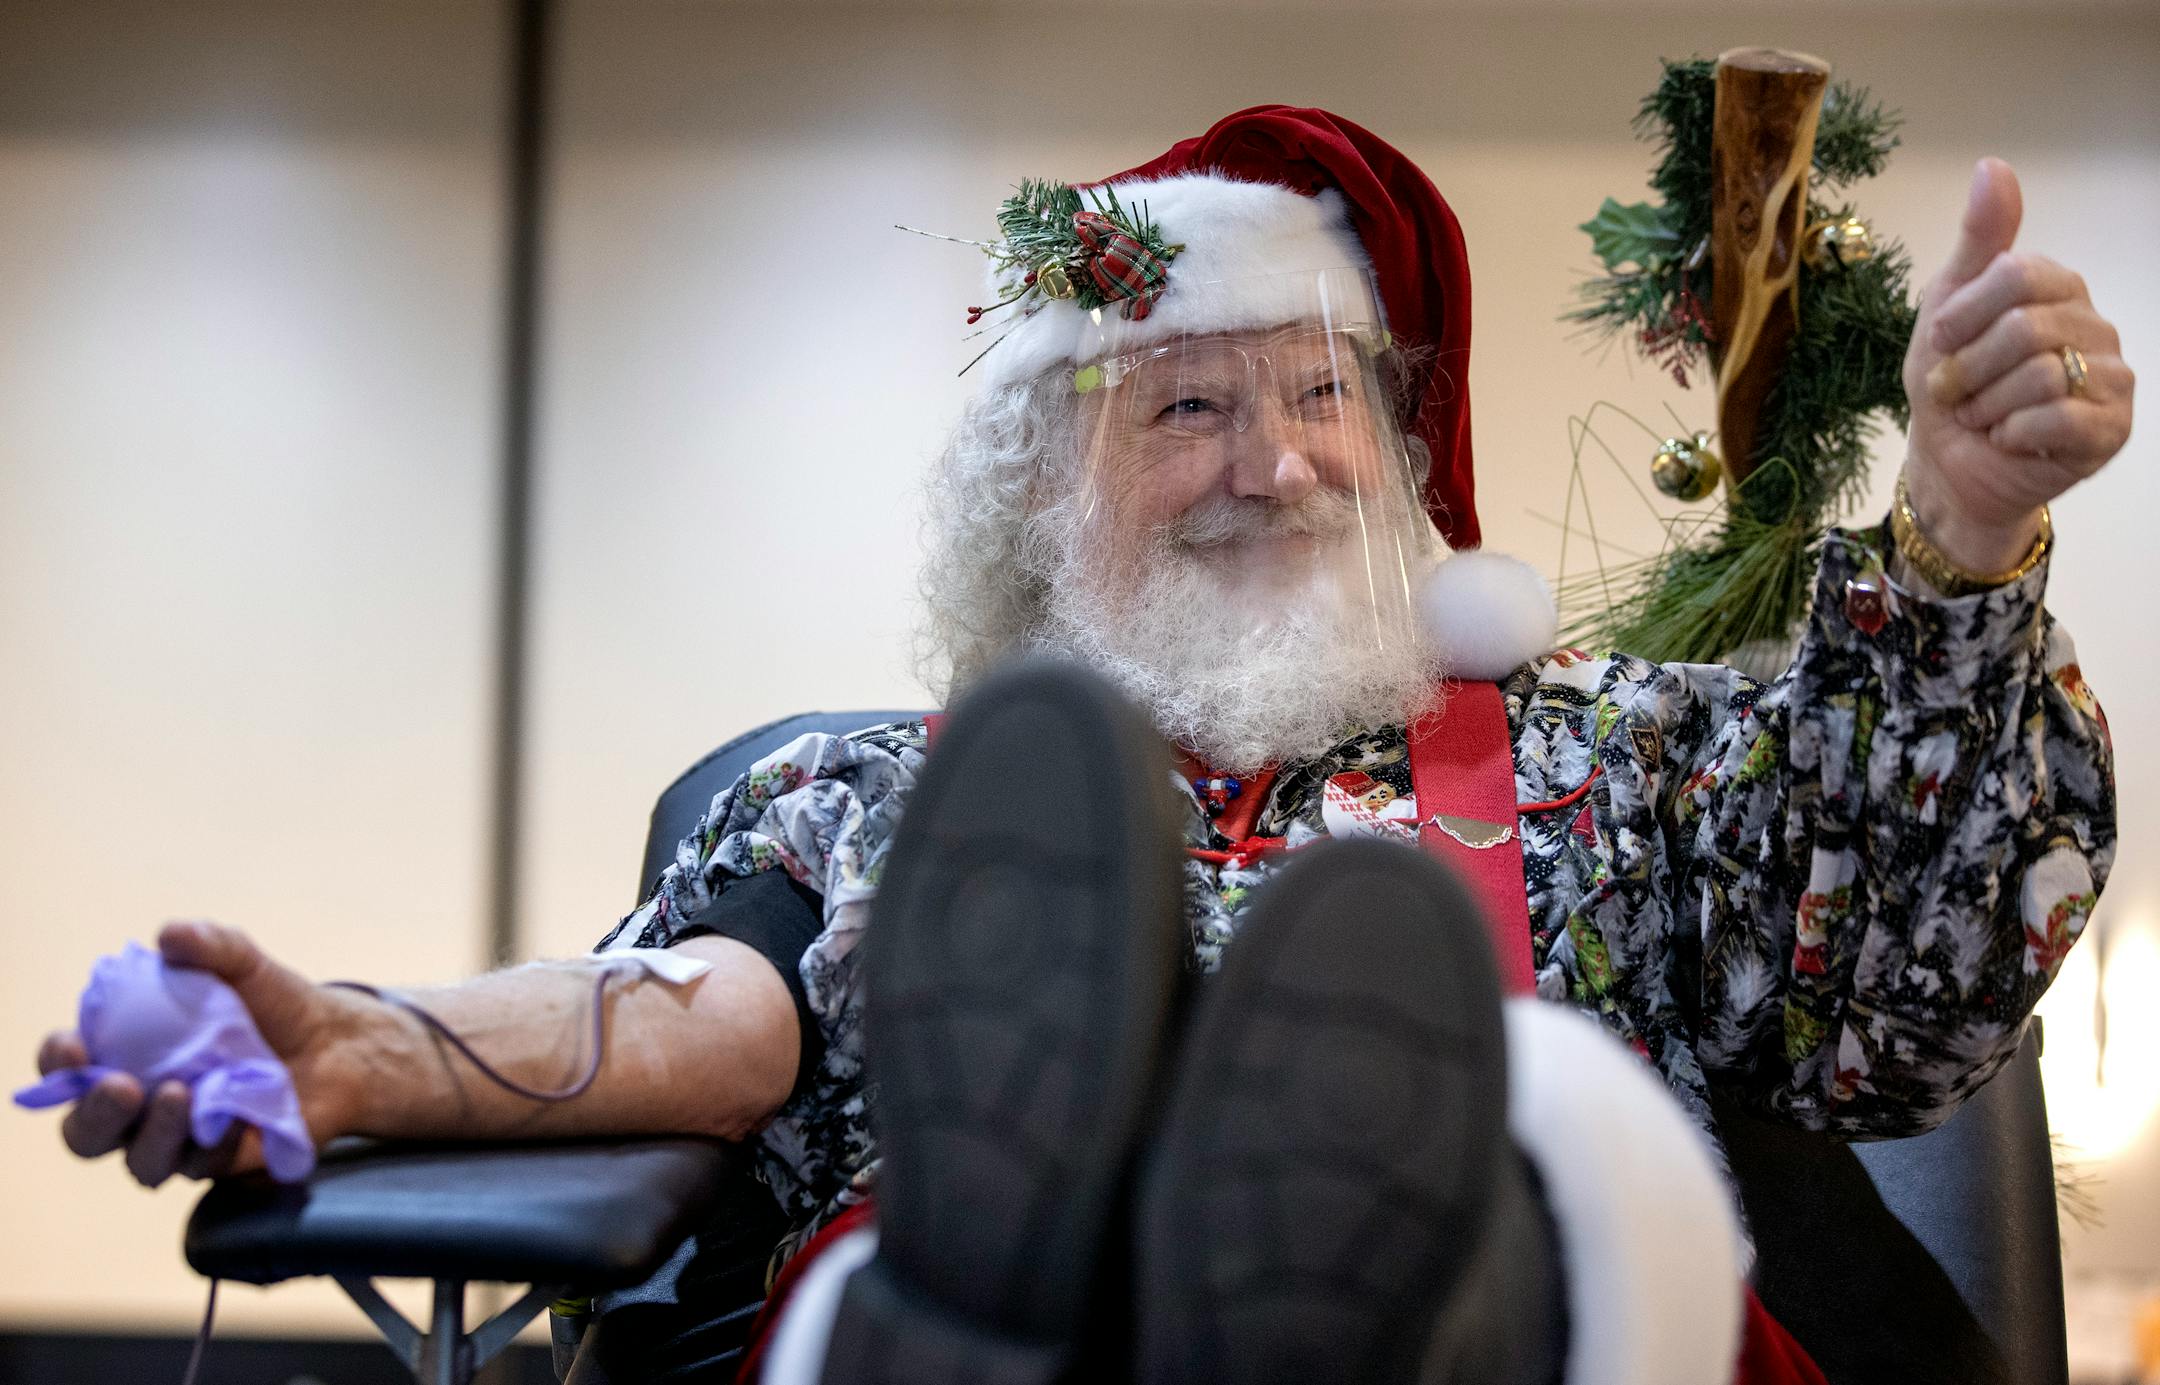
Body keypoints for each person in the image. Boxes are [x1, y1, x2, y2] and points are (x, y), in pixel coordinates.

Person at [30, 107, 2128, 1384]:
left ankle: (1258, 1252)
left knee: (1510, 1210)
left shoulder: (1621, 768)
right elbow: (697, 1018)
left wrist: (1962, 531)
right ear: (1047, 493)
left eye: (1321, 398)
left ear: (1401, 461)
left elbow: (1906, 995)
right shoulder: (872, 802)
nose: (1269, 466)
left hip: (1519, 1332)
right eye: (1184, 405)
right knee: (923, 1231)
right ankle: (1021, 1267)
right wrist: (358, 1046)